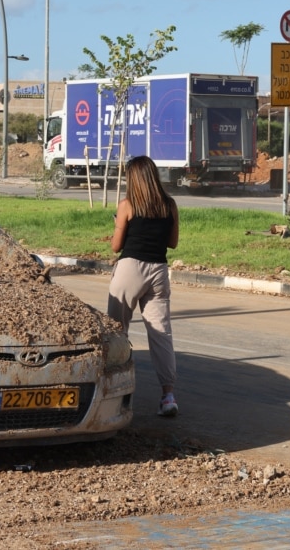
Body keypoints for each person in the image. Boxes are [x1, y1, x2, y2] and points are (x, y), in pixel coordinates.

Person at [108, 156, 181, 417]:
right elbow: (172, 243)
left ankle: (117, 392)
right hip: (159, 271)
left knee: (117, 331)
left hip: (131, 268)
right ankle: (168, 396)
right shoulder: (169, 205)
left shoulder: (127, 205)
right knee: (161, 334)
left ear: (133, 179)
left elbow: (116, 246)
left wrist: (118, 224)